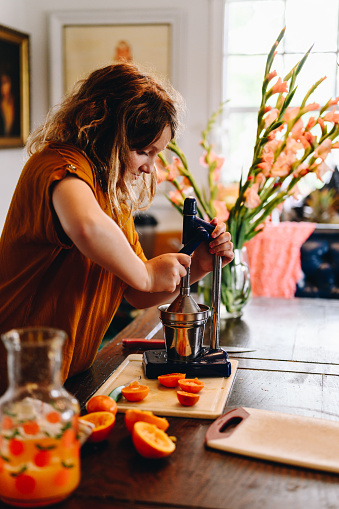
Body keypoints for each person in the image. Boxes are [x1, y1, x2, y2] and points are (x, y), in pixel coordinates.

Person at [0, 63, 234, 394]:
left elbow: (137, 292)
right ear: (103, 129)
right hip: (13, 374)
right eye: (142, 150)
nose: (149, 166)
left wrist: (202, 265)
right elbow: (86, 227)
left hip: (65, 375)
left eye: (156, 154)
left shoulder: (113, 198)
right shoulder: (56, 166)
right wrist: (147, 272)